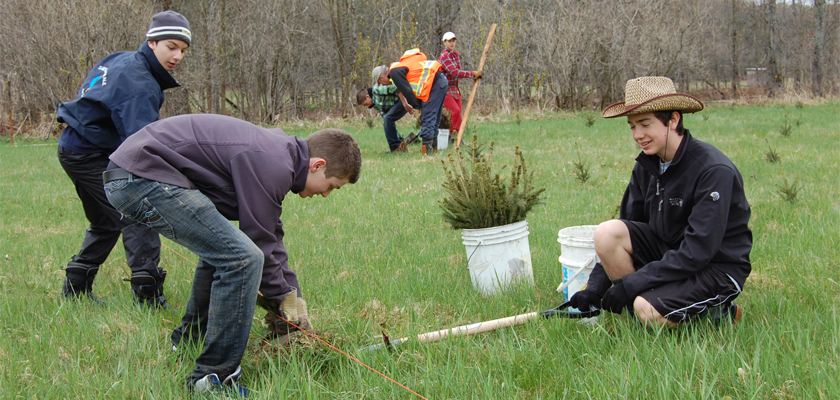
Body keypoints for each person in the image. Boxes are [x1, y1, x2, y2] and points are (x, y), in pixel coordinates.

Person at [104, 113, 362, 394]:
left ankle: (189, 341)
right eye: (332, 186)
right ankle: (214, 377)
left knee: (227, 250)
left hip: (135, 174)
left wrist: (293, 296)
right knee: (242, 258)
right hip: (140, 179)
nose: (326, 195)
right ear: (318, 165)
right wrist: (282, 301)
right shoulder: (273, 162)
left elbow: (270, 234)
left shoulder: (278, 156)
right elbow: (258, 247)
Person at [569, 76, 752, 328]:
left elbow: (697, 252)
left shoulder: (713, 170)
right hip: (669, 255)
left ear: (673, 120)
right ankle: (642, 313)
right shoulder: (648, 164)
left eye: (645, 124)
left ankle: (718, 312)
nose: (637, 135)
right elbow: (630, 224)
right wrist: (596, 287)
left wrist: (630, 285)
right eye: (632, 126)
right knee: (607, 233)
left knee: (646, 309)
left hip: (714, 267)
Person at [55, 10, 192, 308]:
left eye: (183, 50)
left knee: (105, 221)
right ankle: (148, 296)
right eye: (171, 46)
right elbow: (141, 147)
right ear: (152, 42)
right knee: (138, 212)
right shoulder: (139, 83)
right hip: (88, 153)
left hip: (73, 148)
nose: (177, 56)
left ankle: (75, 290)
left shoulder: (122, 59)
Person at [377, 48, 448, 154]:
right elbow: (403, 89)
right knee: (433, 118)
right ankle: (433, 150)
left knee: (428, 118)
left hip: (434, 84)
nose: (383, 85)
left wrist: (418, 106)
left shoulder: (395, 72)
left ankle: (427, 153)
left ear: (382, 78)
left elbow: (407, 91)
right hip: (439, 81)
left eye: (381, 83)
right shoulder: (399, 68)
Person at [355, 70, 415, 153]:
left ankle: (396, 148)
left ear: (367, 96)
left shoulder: (378, 89)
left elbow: (397, 86)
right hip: (400, 103)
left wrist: (405, 103)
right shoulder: (377, 104)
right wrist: (399, 139)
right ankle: (401, 143)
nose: (368, 107)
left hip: (405, 99)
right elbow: (387, 122)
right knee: (386, 120)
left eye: (366, 104)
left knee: (388, 118)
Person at [438, 32, 482, 141]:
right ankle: (452, 136)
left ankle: (457, 137)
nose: (452, 43)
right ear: (444, 42)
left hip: (454, 89)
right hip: (444, 89)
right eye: (449, 41)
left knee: (459, 115)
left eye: (453, 41)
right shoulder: (445, 56)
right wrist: (472, 74)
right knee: (455, 111)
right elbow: (455, 72)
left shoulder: (456, 55)